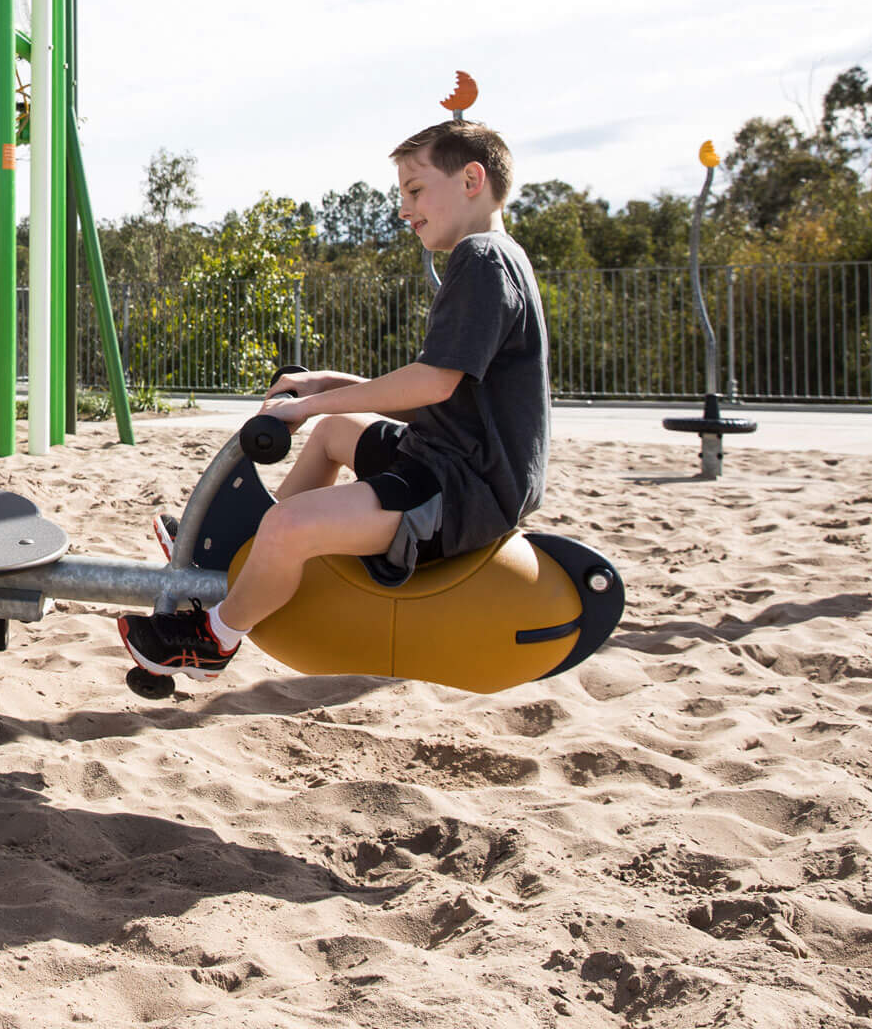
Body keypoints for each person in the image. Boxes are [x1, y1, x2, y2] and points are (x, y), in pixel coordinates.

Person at [119, 119, 551, 678]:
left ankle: (213, 640)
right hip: (450, 459)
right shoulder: (495, 257)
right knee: (332, 435)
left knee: (291, 525)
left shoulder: (482, 260)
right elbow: (435, 396)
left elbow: (432, 383)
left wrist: (304, 405)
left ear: (472, 178)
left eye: (415, 190)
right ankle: (246, 556)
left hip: (463, 491)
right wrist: (326, 386)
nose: (404, 208)